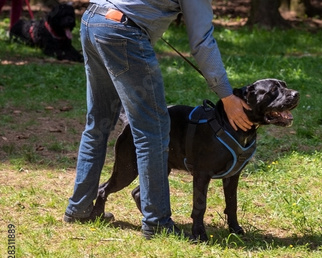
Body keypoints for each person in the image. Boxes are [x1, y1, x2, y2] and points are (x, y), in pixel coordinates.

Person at [63, 0, 253, 240]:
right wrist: (226, 95)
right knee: (152, 129)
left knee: (98, 123)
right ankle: (157, 221)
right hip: (123, 31)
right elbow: (202, 42)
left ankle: (79, 208)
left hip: (94, 20)